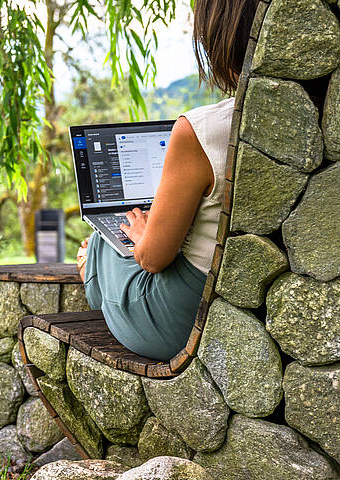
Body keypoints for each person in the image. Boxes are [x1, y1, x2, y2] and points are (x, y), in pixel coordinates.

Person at [75, 0, 259, 361]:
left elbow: (153, 259)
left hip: (185, 322)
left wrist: (145, 236)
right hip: (253, 294)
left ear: (217, 36)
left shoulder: (203, 130)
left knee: (106, 240)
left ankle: (90, 271)